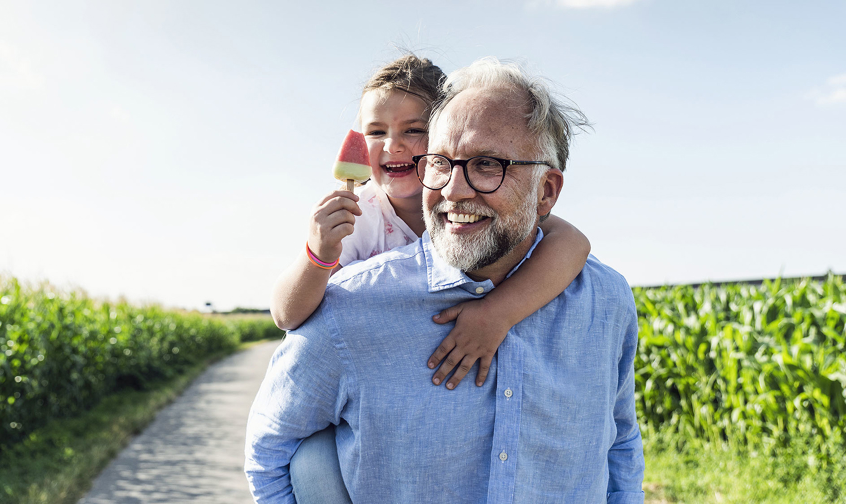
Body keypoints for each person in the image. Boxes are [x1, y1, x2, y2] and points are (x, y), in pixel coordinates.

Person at [247, 58, 644, 503]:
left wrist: (498, 312)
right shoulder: (351, 289)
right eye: (441, 163)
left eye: (487, 164)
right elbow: (270, 450)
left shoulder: (605, 300)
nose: (454, 190)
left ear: (547, 191)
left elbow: (620, 444)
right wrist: (317, 255)